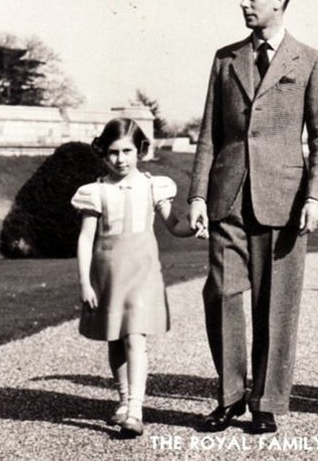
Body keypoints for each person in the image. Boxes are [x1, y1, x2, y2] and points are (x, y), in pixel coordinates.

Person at [187, 0, 318, 434]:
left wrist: (315, 197)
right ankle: (230, 397)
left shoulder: (309, 60)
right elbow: (208, 135)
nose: (243, 3)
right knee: (222, 294)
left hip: (285, 201)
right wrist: (196, 196)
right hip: (227, 198)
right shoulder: (225, 59)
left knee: (276, 304)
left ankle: (266, 402)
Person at [71, 118, 202, 438]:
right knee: (115, 337)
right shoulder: (96, 191)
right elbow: (86, 239)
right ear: (104, 153)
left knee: (135, 337)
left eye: (127, 151)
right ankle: (123, 399)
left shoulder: (153, 185)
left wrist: (194, 227)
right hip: (108, 273)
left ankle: (135, 409)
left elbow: (174, 225)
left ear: (140, 150)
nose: (121, 159)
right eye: (114, 152)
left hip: (143, 272)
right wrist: (85, 282)